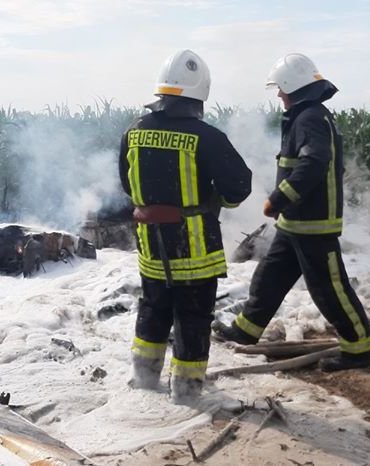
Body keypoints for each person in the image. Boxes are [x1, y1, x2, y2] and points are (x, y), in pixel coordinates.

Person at [213, 53, 370, 372]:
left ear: (292, 87)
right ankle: (246, 331)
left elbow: (314, 163)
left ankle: (359, 349)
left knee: (329, 289)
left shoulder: (310, 118)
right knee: (269, 277)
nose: (278, 95)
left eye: (280, 89)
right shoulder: (306, 116)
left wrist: (279, 199)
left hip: (314, 225)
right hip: (295, 224)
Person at [119, 49, 252, 401]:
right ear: (200, 96)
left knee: (153, 307)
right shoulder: (207, 137)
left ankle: (145, 381)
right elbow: (239, 187)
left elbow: (127, 185)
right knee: (192, 317)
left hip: (150, 247)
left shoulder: (134, 131)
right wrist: (213, 201)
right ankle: (187, 392)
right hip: (194, 251)